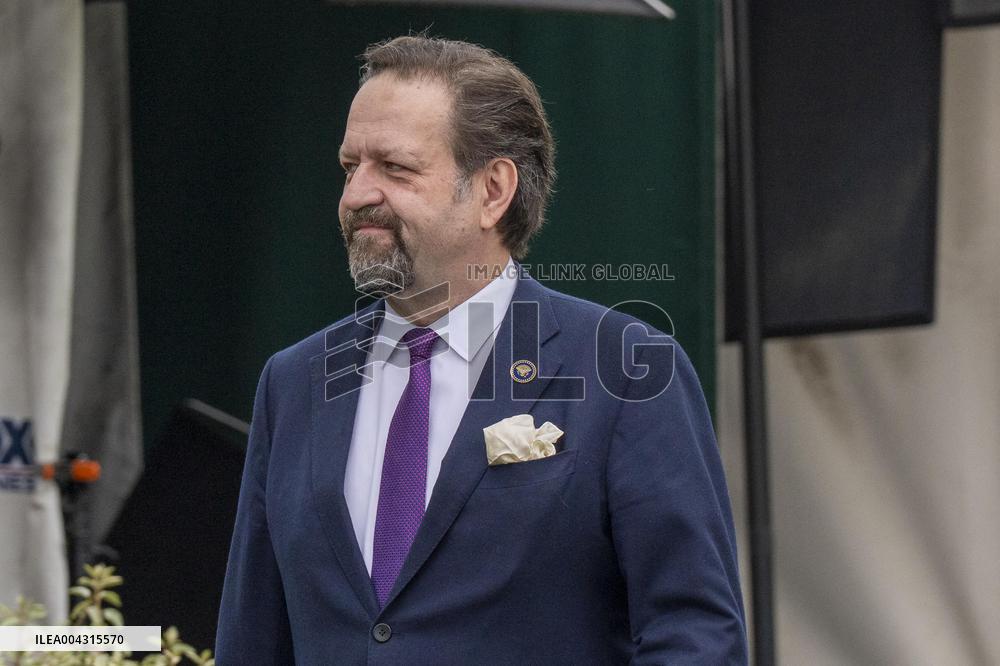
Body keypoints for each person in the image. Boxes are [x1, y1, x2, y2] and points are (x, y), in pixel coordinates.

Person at [216, 35, 747, 665]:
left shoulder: (624, 369)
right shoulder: (294, 380)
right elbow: (253, 638)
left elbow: (695, 637)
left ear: (493, 190)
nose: (356, 194)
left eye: (395, 167)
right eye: (349, 165)